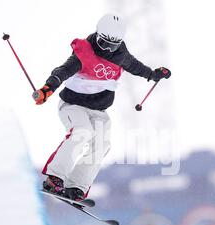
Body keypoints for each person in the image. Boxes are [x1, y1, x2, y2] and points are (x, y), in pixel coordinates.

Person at [33, 13, 171, 201]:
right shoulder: (84, 52)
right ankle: (54, 179)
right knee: (82, 131)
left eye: (112, 46)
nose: (106, 49)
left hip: (99, 110)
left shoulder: (120, 55)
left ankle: (76, 187)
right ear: (97, 35)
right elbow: (62, 71)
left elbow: (135, 66)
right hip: (73, 105)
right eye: (103, 42)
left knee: (101, 144)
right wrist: (48, 89)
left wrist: (153, 75)